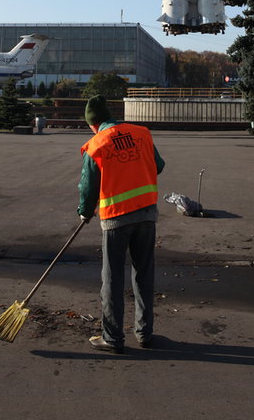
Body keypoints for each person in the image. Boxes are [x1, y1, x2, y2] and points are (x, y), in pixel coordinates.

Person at [77, 94, 165, 353]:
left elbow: (87, 186)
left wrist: (84, 211)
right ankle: (144, 333)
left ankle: (113, 338)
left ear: (93, 124)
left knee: (113, 278)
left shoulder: (97, 144)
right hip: (147, 214)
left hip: (116, 218)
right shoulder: (142, 133)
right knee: (144, 274)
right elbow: (158, 166)